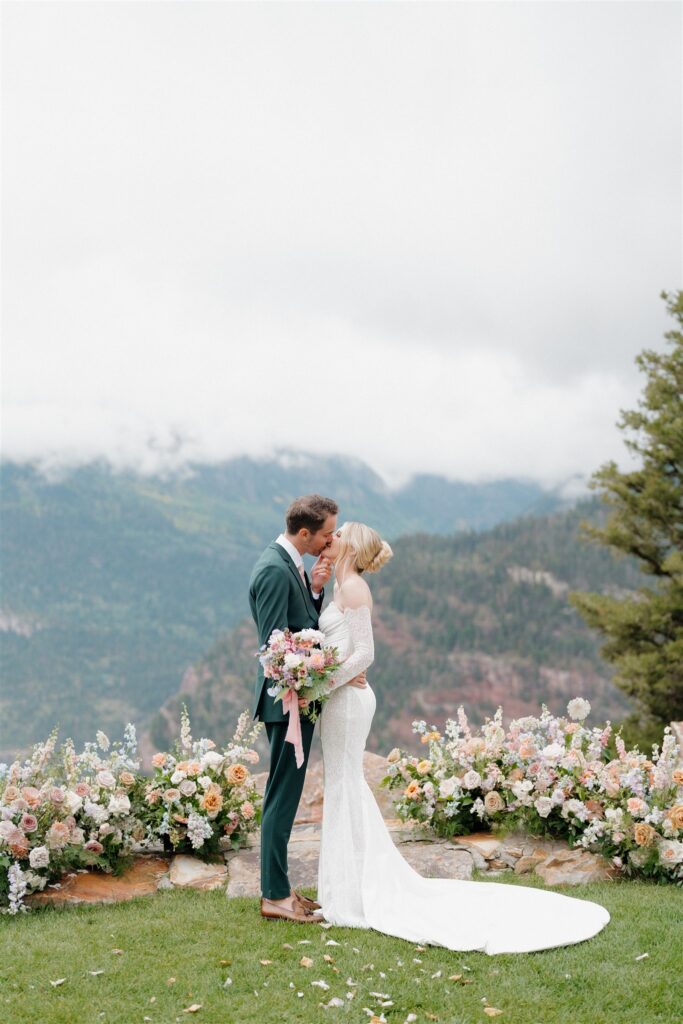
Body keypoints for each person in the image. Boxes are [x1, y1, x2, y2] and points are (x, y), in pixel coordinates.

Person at [314, 521, 611, 954]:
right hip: (338, 698)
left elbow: (366, 653)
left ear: (350, 546)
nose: (331, 537)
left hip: (348, 700)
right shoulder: (338, 586)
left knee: (345, 783)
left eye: (338, 533)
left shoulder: (356, 589)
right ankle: (344, 886)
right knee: (341, 783)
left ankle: (351, 893)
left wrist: (320, 685)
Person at [248, 494, 367, 923]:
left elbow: (298, 627)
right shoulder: (274, 570)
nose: (331, 539)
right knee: (281, 798)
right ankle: (274, 897)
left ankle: (279, 888)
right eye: (327, 533)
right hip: (287, 704)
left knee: (286, 795)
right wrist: (332, 669)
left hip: (295, 700)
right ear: (305, 533)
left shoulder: (291, 566)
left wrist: (315, 591)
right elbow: (275, 650)